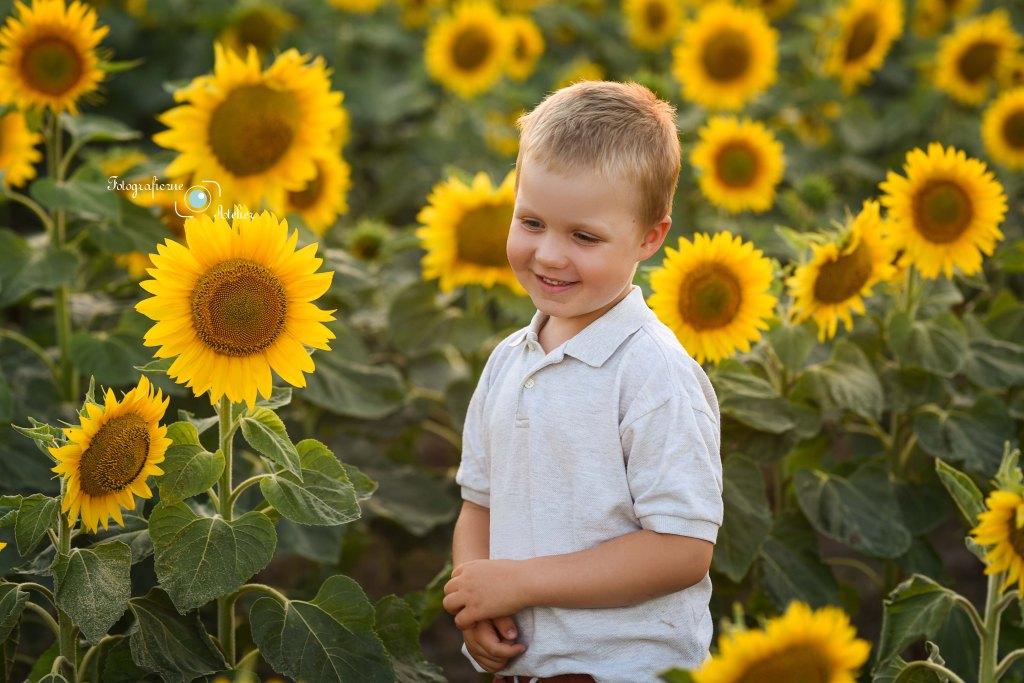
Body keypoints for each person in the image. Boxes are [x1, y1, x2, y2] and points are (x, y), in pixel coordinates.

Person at [442, 80, 723, 683]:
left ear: (650, 237)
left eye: (584, 236)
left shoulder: (654, 375)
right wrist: (476, 597)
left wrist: (518, 582)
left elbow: (682, 549)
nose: (547, 254)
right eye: (532, 221)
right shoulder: (506, 363)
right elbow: (479, 504)